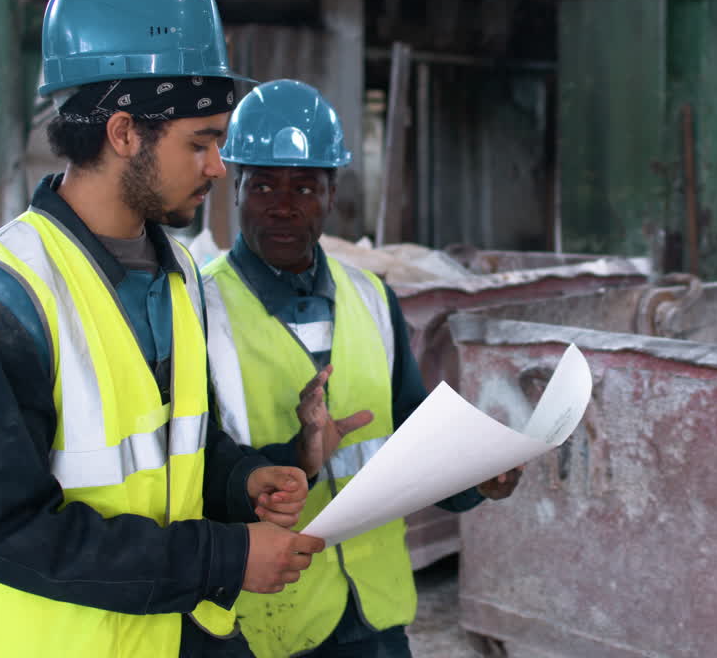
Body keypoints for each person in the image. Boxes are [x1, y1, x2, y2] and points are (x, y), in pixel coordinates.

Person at [0, 0, 325, 658]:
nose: (218, 167)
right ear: (123, 133)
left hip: (179, 635)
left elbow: (175, 448)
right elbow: (7, 534)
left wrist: (241, 479)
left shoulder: (181, 274)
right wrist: (224, 560)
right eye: (199, 142)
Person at [202, 79, 523, 658]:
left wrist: (477, 475)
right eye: (263, 184)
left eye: (304, 186)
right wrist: (294, 455)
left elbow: (417, 444)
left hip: (374, 615)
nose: (282, 203)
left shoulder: (372, 298)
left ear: (332, 194)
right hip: (267, 623)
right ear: (235, 190)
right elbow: (194, 478)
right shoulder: (199, 312)